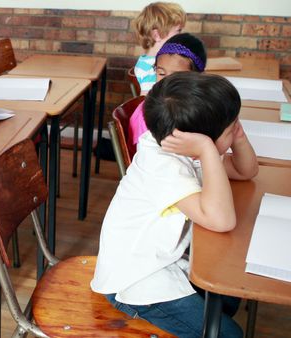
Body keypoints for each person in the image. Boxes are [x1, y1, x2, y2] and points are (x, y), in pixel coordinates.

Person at [91, 72, 259, 337]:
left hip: (167, 257)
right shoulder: (162, 165)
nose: (236, 127)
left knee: (228, 297)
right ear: (196, 140)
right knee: (229, 334)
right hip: (136, 279)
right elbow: (222, 220)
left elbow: (246, 170)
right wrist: (206, 149)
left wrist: (235, 137)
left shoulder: (183, 148)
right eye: (231, 128)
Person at [129, 32, 207, 146]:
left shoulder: (202, 107)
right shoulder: (147, 114)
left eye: (176, 77)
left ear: (199, 77)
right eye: (161, 73)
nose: (167, 82)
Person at [133, 2, 186, 94]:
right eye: (178, 31)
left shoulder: (155, 61)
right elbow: (148, 103)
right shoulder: (150, 68)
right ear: (157, 35)